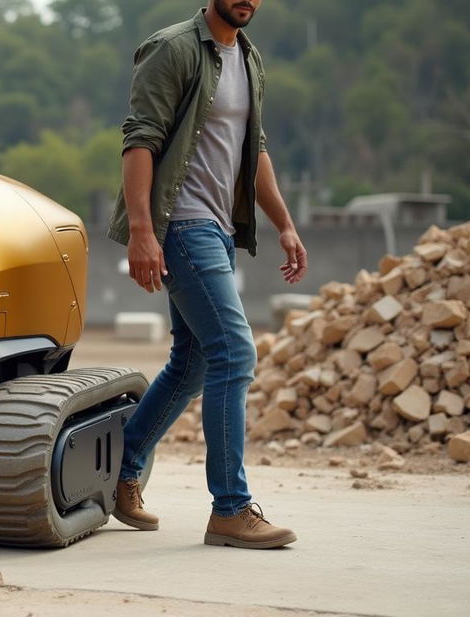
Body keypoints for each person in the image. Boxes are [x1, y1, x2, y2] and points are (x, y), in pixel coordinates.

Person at [107, 0, 308, 549]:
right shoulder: (172, 48)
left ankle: (117, 474)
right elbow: (140, 139)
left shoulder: (249, 58)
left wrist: (284, 224)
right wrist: (144, 232)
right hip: (184, 225)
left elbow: (254, 150)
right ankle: (230, 508)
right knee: (235, 352)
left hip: (220, 228)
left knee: (194, 362)